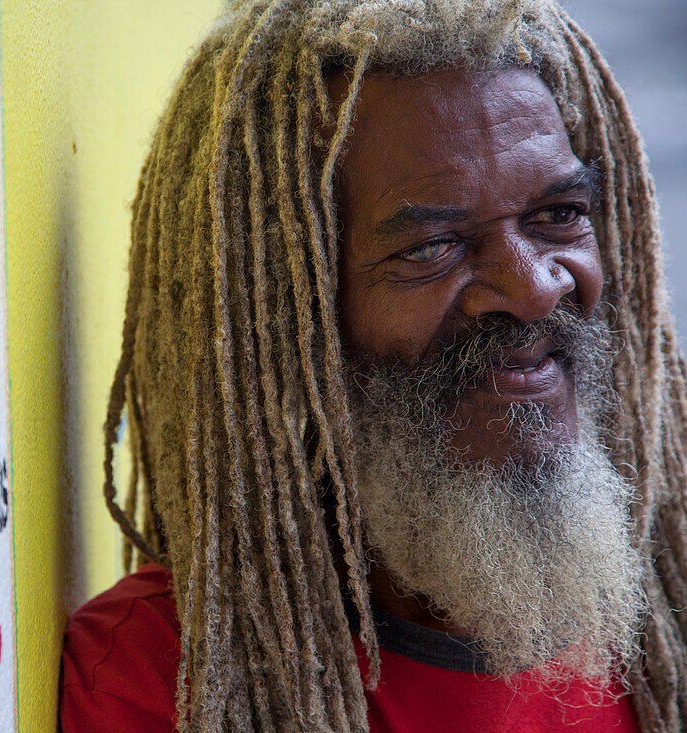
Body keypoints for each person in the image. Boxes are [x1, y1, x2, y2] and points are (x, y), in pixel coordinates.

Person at [60, 0, 687, 730]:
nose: (534, 286)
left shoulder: (665, 599)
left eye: (558, 214)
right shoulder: (165, 679)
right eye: (430, 248)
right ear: (284, 307)